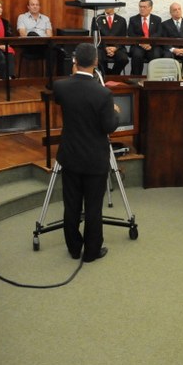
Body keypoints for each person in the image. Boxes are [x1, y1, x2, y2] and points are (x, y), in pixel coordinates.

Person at [53, 43, 119, 262]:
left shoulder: (60, 87)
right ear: (96, 62)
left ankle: (73, 248)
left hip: (70, 156)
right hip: (94, 159)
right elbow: (109, 126)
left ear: (74, 62)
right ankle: (91, 252)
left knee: (71, 206)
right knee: (93, 208)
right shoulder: (103, 94)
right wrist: (115, 112)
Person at [127, 0, 163, 75]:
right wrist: (141, 43)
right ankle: (135, 78)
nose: (142, 9)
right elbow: (130, 34)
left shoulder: (157, 19)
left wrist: (149, 43)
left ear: (151, 8)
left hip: (152, 45)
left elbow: (159, 33)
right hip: (138, 45)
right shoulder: (133, 19)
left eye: (144, 7)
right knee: (137, 54)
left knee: (156, 55)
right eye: (140, 6)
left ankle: (154, 79)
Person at [92, 7, 129, 75]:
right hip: (101, 47)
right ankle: (105, 75)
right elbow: (94, 37)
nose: (107, 7)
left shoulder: (121, 20)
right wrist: (105, 47)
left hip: (118, 47)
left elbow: (123, 37)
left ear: (114, 7)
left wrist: (115, 48)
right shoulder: (97, 18)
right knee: (98, 59)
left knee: (124, 59)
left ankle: (114, 75)